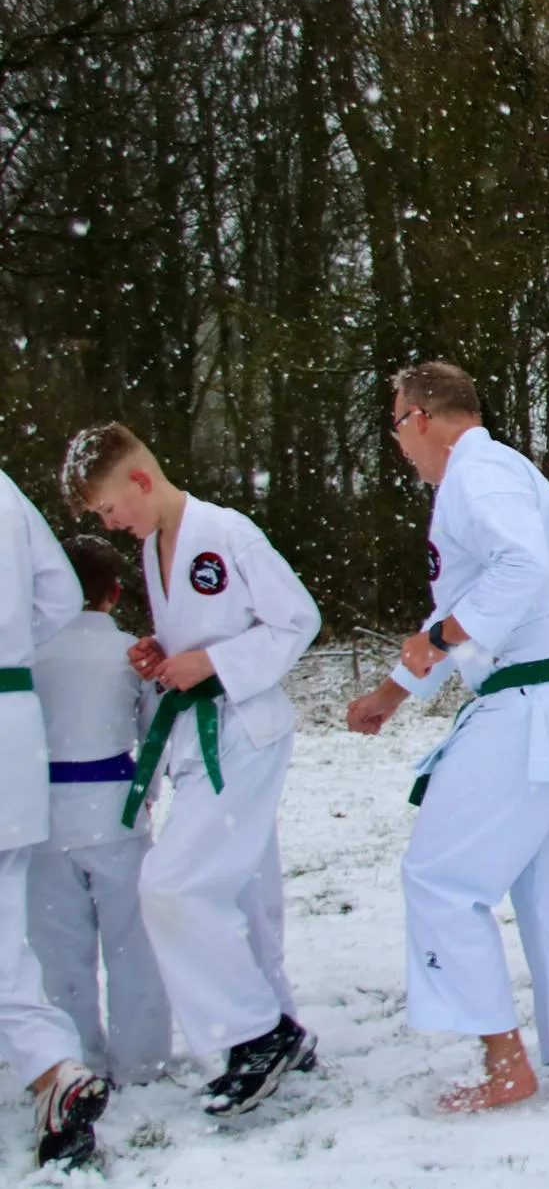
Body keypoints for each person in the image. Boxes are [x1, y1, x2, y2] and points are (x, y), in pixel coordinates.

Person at [346, 361, 549, 1111]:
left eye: (397, 426)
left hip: (539, 706)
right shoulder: (501, 472)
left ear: (421, 417)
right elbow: (485, 606)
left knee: (441, 877)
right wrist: (396, 691)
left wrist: (439, 633)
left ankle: (503, 1060)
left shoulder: (475, 474)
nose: (400, 446)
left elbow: (516, 572)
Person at [63, 424, 320, 1116]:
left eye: (111, 509)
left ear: (141, 480)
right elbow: (202, 632)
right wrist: (163, 651)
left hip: (244, 729)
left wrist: (207, 663)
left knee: (171, 884)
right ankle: (282, 1025)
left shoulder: (226, 533)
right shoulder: (155, 548)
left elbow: (297, 620)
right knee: (240, 892)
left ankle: (252, 1035)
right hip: (202, 735)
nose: (110, 524)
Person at [29, 534, 171, 1086]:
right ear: (114, 592)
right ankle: (142, 1062)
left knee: (58, 951)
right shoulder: (130, 654)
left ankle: (75, 1060)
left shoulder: (28, 655)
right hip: (115, 810)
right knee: (132, 943)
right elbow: (153, 735)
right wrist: (147, 796)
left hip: (41, 817)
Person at [0, 466, 111, 1168]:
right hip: (13, 718)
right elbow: (60, 593)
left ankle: (48, 1065)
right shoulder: (4, 490)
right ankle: (51, 1069)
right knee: (6, 920)